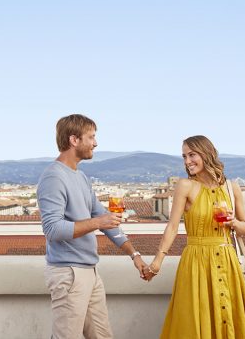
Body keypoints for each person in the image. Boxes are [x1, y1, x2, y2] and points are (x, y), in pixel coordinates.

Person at [38, 114, 150, 339]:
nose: (96, 143)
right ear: (74, 140)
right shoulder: (54, 177)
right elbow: (52, 230)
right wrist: (98, 222)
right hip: (69, 274)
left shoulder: (80, 177)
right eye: (91, 137)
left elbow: (104, 218)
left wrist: (134, 254)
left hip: (89, 271)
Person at [145, 135, 245, 338]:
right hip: (196, 262)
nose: (187, 161)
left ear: (207, 154)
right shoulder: (185, 186)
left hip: (227, 261)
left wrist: (233, 222)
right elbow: (172, 227)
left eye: (192, 155)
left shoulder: (232, 188)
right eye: (184, 156)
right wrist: (157, 261)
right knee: (195, 318)